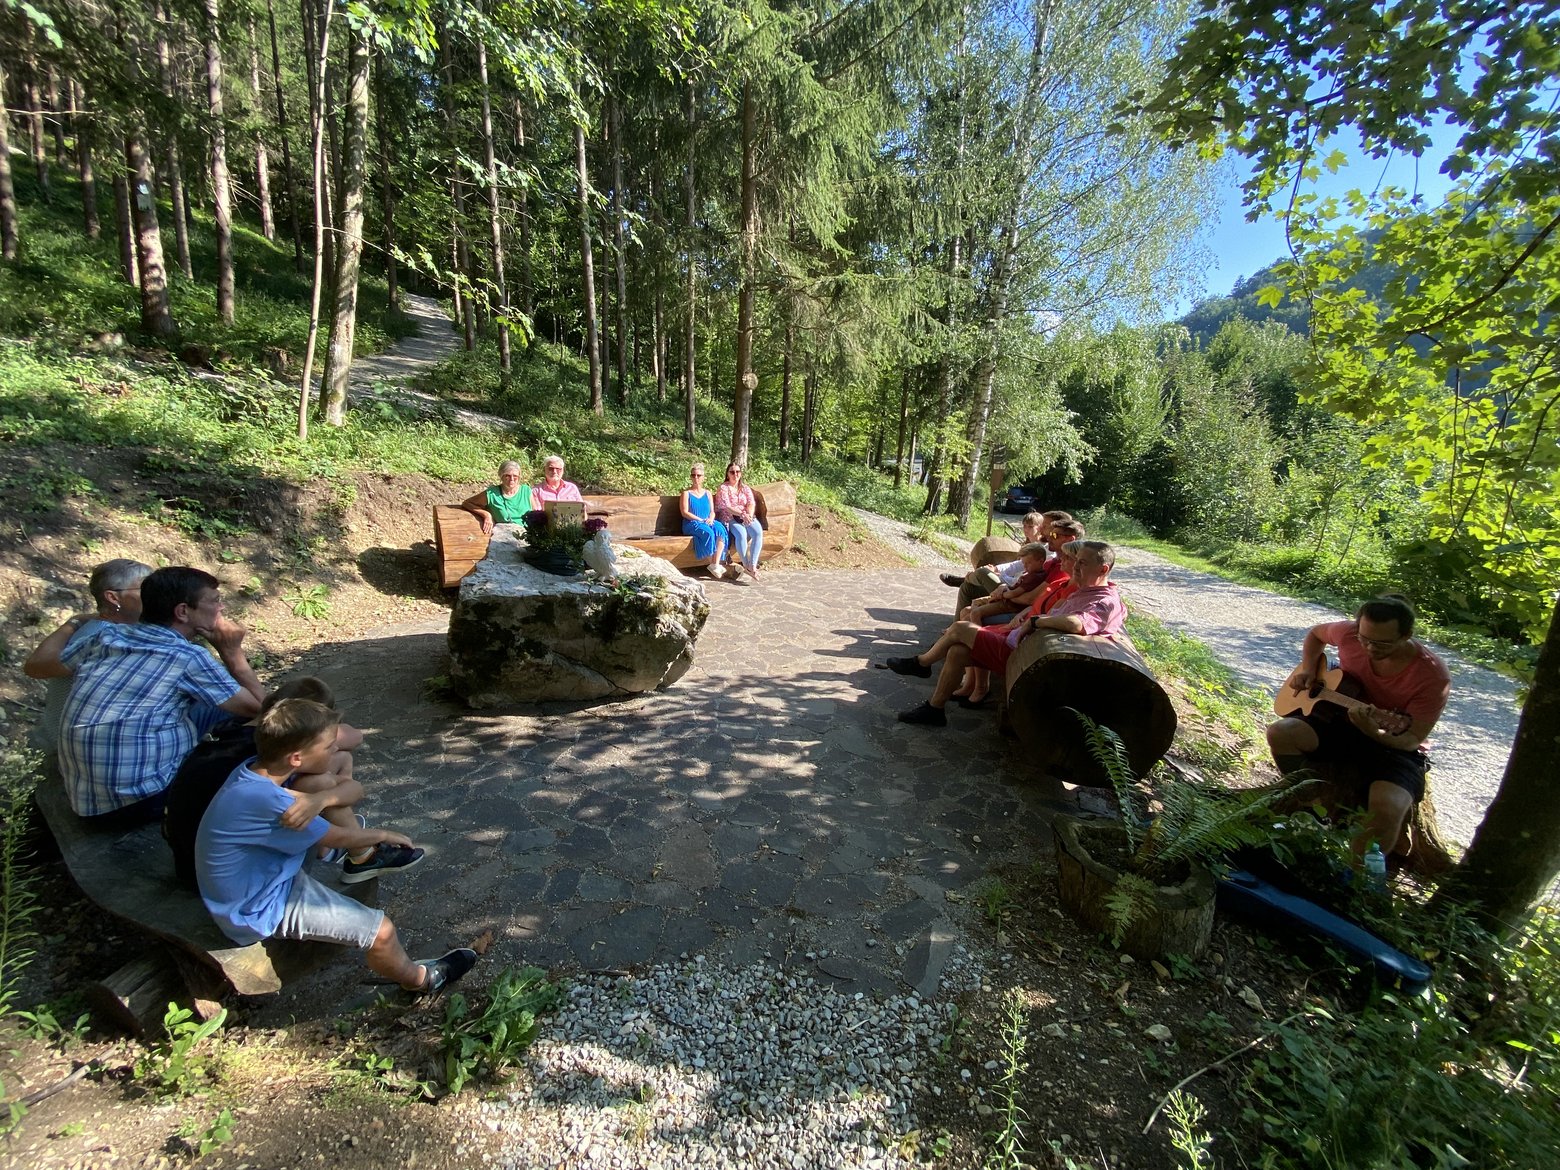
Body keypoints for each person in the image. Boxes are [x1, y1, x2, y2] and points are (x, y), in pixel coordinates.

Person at [196, 698, 472, 995]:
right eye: (327, 747)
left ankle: (361, 859)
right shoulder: (270, 802)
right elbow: (338, 836)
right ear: (296, 758)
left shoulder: (257, 771)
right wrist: (383, 834)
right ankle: (420, 980)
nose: (334, 751)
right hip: (258, 905)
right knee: (381, 932)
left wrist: (320, 799)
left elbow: (349, 787)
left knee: (319, 786)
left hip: (262, 875)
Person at [58, 567, 265, 822]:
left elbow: (59, 664)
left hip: (87, 798)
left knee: (216, 703)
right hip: (143, 800)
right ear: (182, 612)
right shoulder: (187, 657)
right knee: (264, 730)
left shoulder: (105, 634)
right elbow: (262, 709)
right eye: (214, 601)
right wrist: (232, 653)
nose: (221, 608)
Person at [1267, 594, 1451, 865]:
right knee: (1281, 732)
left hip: (1393, 744)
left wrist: (1374, 732)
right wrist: (1308, 669)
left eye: (1383, 643)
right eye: (1365, 639)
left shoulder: (1433, 675)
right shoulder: (1349, 633)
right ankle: (1312, 807)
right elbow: (1316, 635)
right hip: (1340, 722)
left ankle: (1354, 875)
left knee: (1387, 810)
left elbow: (1413, 738)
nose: (1370, 648)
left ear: (1407, 635)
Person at [163, 677, 376, 891]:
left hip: (187, 858)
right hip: (225, 880)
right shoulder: (269, 759)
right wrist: (323, 799)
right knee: (318, 782)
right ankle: (359, 853)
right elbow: (353, 746)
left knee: (337, 762)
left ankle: (328, 847)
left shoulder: (234, 729)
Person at [886, 540, 1125, 727]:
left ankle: (922, 663)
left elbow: (1077, 624)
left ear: (1103, 569)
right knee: (958, 651)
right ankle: (934, 709)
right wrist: (1029, 618)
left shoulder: (1104, 601)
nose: (1075, 566)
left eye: (1082, 563)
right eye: (1077, 560)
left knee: (961, 628)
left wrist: (1035, 621)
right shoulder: (1085, 591)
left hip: (1029, 658)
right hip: (1028, 648)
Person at [23, 559, 153, 751]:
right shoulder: (107, 638)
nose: (157, 595)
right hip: (74, 748)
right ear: (113, 598)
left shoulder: (103, 628)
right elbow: (36, 666)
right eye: (146, 588)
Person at [944, 510, 1073, 615]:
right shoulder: (1045, 552)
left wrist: (1004, 591)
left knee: (981, 576)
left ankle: (967, 579)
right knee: (967, 588)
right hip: (1012, 589)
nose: (1041, 530)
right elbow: (1018, 566)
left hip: (1015, 597)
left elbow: (1030, 595)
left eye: (1045, 527)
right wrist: (996, 570)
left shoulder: (1054, 560)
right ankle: (951, 630)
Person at [678, 463, 729, 578]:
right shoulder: (686, 494)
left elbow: (712, 511)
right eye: (693, 475)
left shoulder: (708, 493)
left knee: (721, 529)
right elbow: (684, 512)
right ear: (691, 477)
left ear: (703, 477)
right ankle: (713, 564)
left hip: (707, 520)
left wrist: (711, 518)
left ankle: (715, 564)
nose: (696, 478)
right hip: (692, 522)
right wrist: (700, 519)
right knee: (708, 532)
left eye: (699, 475)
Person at [715, 462, 764, 580]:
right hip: (729, 517)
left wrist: (749, 515)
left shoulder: (745, 488)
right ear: (727, 474)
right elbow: (727, 507)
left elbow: (751, 503)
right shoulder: (723, 488)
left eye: (737, 472)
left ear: (741, 474)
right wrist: (742, 514)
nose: (735, 474)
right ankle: (746, 564)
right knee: (741, 533)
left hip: (745, 515)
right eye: (732, 472)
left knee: (758, 532)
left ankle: (752, 565)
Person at [461, 460, 533, 534]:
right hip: (505, 535)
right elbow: (467, 503)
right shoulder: (492, 494)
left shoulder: (526, 490)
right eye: (507, 476)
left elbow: (536, 512)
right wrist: (486, 515)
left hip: (528, 533)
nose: (512, 479)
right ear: (501, 476)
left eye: (515, 476)